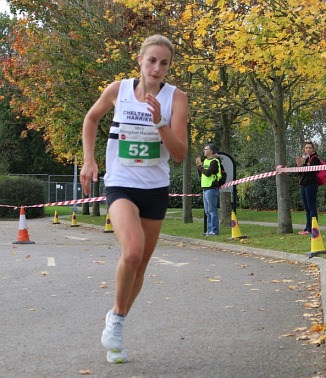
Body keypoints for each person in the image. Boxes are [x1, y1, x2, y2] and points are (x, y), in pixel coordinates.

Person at [79, 35, 188, 363]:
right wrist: (89, 159)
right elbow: (90, 118)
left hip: (155, 189)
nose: (157, 68)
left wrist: (159, 122)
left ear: (169, 67)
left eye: (164, 63)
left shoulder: (176, 98)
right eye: (152, 60)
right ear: (139, 60)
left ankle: (117, 319)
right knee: (133, 252)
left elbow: (180, 154)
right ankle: (116, 322)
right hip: (121, 185)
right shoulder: (118, 90)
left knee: (140, 265)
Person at [296, 141, 321, 235]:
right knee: (307, 207)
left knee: (311, 207)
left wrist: (304, 166)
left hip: (311, 185)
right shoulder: (304, 158)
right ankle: (307, 227)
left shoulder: (315, 159)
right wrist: (299, 166)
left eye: (310, 148)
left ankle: (313, 228)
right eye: (306, 148)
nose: (308, 149)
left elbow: (314, 171)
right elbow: (300, 174)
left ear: (313, 149)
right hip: (303, 185)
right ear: (304, 149)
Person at [195, 144, 221, 236]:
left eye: (206, 149)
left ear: (211, 151)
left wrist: (200, 166)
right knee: (207, 211)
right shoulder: (206, 161)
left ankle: (214, 231)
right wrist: (199, 166)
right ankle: (209, 230)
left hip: (212, 188)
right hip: (205, 188)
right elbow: (201, 174)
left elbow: (207, 173)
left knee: (212, 210)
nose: (204, 151)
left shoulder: (214, 162)